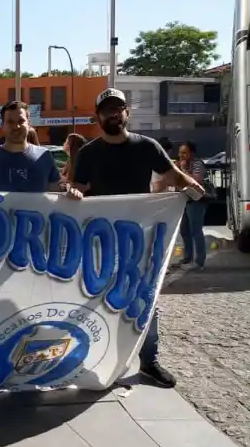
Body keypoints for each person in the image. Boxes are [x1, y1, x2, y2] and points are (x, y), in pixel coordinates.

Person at [71, 88, 204, 388]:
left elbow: (173, 176)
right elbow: (76, 186)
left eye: (118, 108)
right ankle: (93, 358)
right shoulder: (89, 153)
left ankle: (149, 360)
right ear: (98, 117)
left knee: (146, 299)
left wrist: (193, 187)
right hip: (99, 242)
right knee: (94, 298)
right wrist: (75, 191)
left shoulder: (147, 147)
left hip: (141, 239)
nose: (113, 114)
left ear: (127, 113)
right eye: (107, 110)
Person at [0, 101, 79, 197]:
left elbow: (55, 190)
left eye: (21, 121)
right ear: (2, 126)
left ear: (29, 123)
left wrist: (71, 193)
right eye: (10, 122)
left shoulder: (45, 156)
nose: (16, 126)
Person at [173, 141, 209, 270]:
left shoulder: (197, 164)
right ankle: (187, 257)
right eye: (180, 152)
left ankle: (200, 261)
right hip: (184, 200)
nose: (181, 155)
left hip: (196, 201)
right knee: (184, 231)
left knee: (196, 231)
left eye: (184, 153)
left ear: (191, 153)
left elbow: (196, 181)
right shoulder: (178, 164)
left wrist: (182, 170)